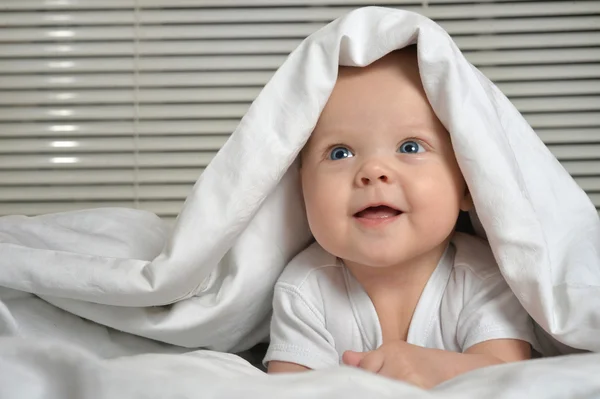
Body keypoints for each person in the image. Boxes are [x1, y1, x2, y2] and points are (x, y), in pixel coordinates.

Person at [263, 46, 538, 388]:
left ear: (469, 184)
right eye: (339, 152)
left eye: (410, 147)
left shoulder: (484, 277)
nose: (373, 171)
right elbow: (289, 391)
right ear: (300, 189)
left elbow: (510, 379)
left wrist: (437, 369)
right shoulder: (304, 288)